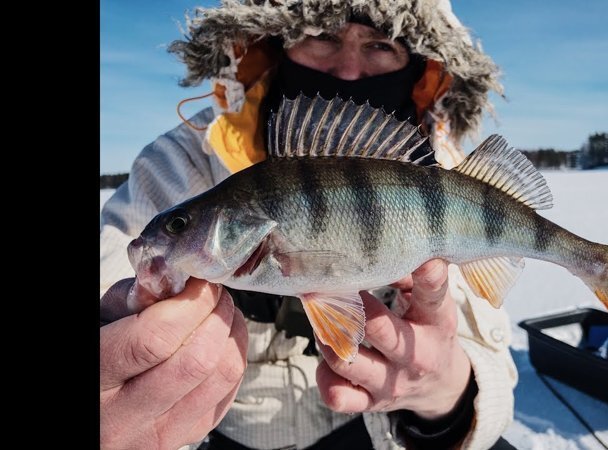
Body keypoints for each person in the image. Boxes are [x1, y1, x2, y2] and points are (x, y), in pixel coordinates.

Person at [100, 1, 518, 449]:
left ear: (418, 64)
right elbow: (109, 260)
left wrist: (449, 394)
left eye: (380, 45)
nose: (349, 71)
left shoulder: (448, 178)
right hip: (218, 433)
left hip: (377, 432)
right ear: (276, 40)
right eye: (324, 36)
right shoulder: (182, 159)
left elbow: (490, 359)